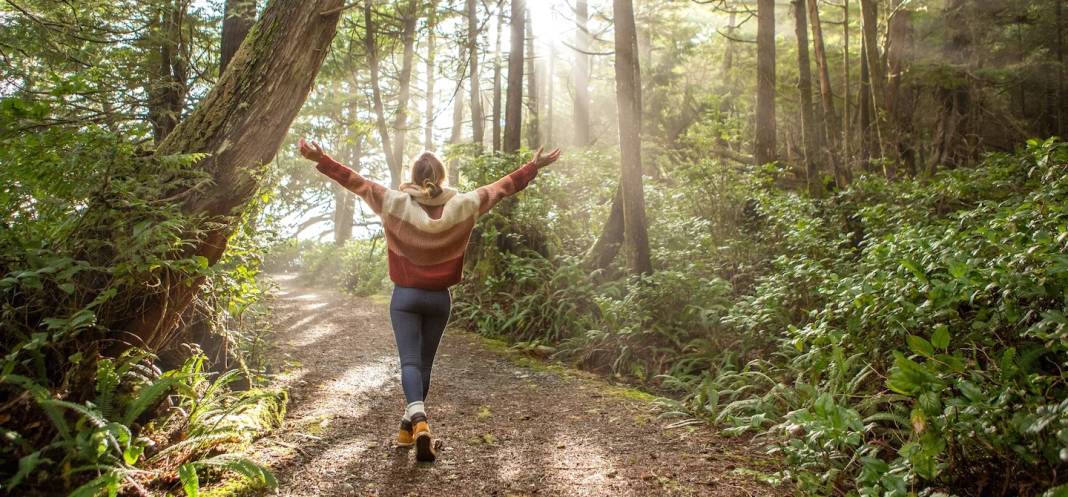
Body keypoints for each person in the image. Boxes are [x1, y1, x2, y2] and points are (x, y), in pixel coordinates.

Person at [298, 139, 562, 462]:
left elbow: (354, 181)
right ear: (441, 176)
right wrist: (533, 167)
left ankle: (420, 422)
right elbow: (502, 188)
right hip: (440, 300)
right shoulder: (463, 205)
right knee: (424, 365)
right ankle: (406, 429)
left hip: (405, 297)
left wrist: (321, 158)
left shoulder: (393, 202)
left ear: (414, 175)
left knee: (409, 364)